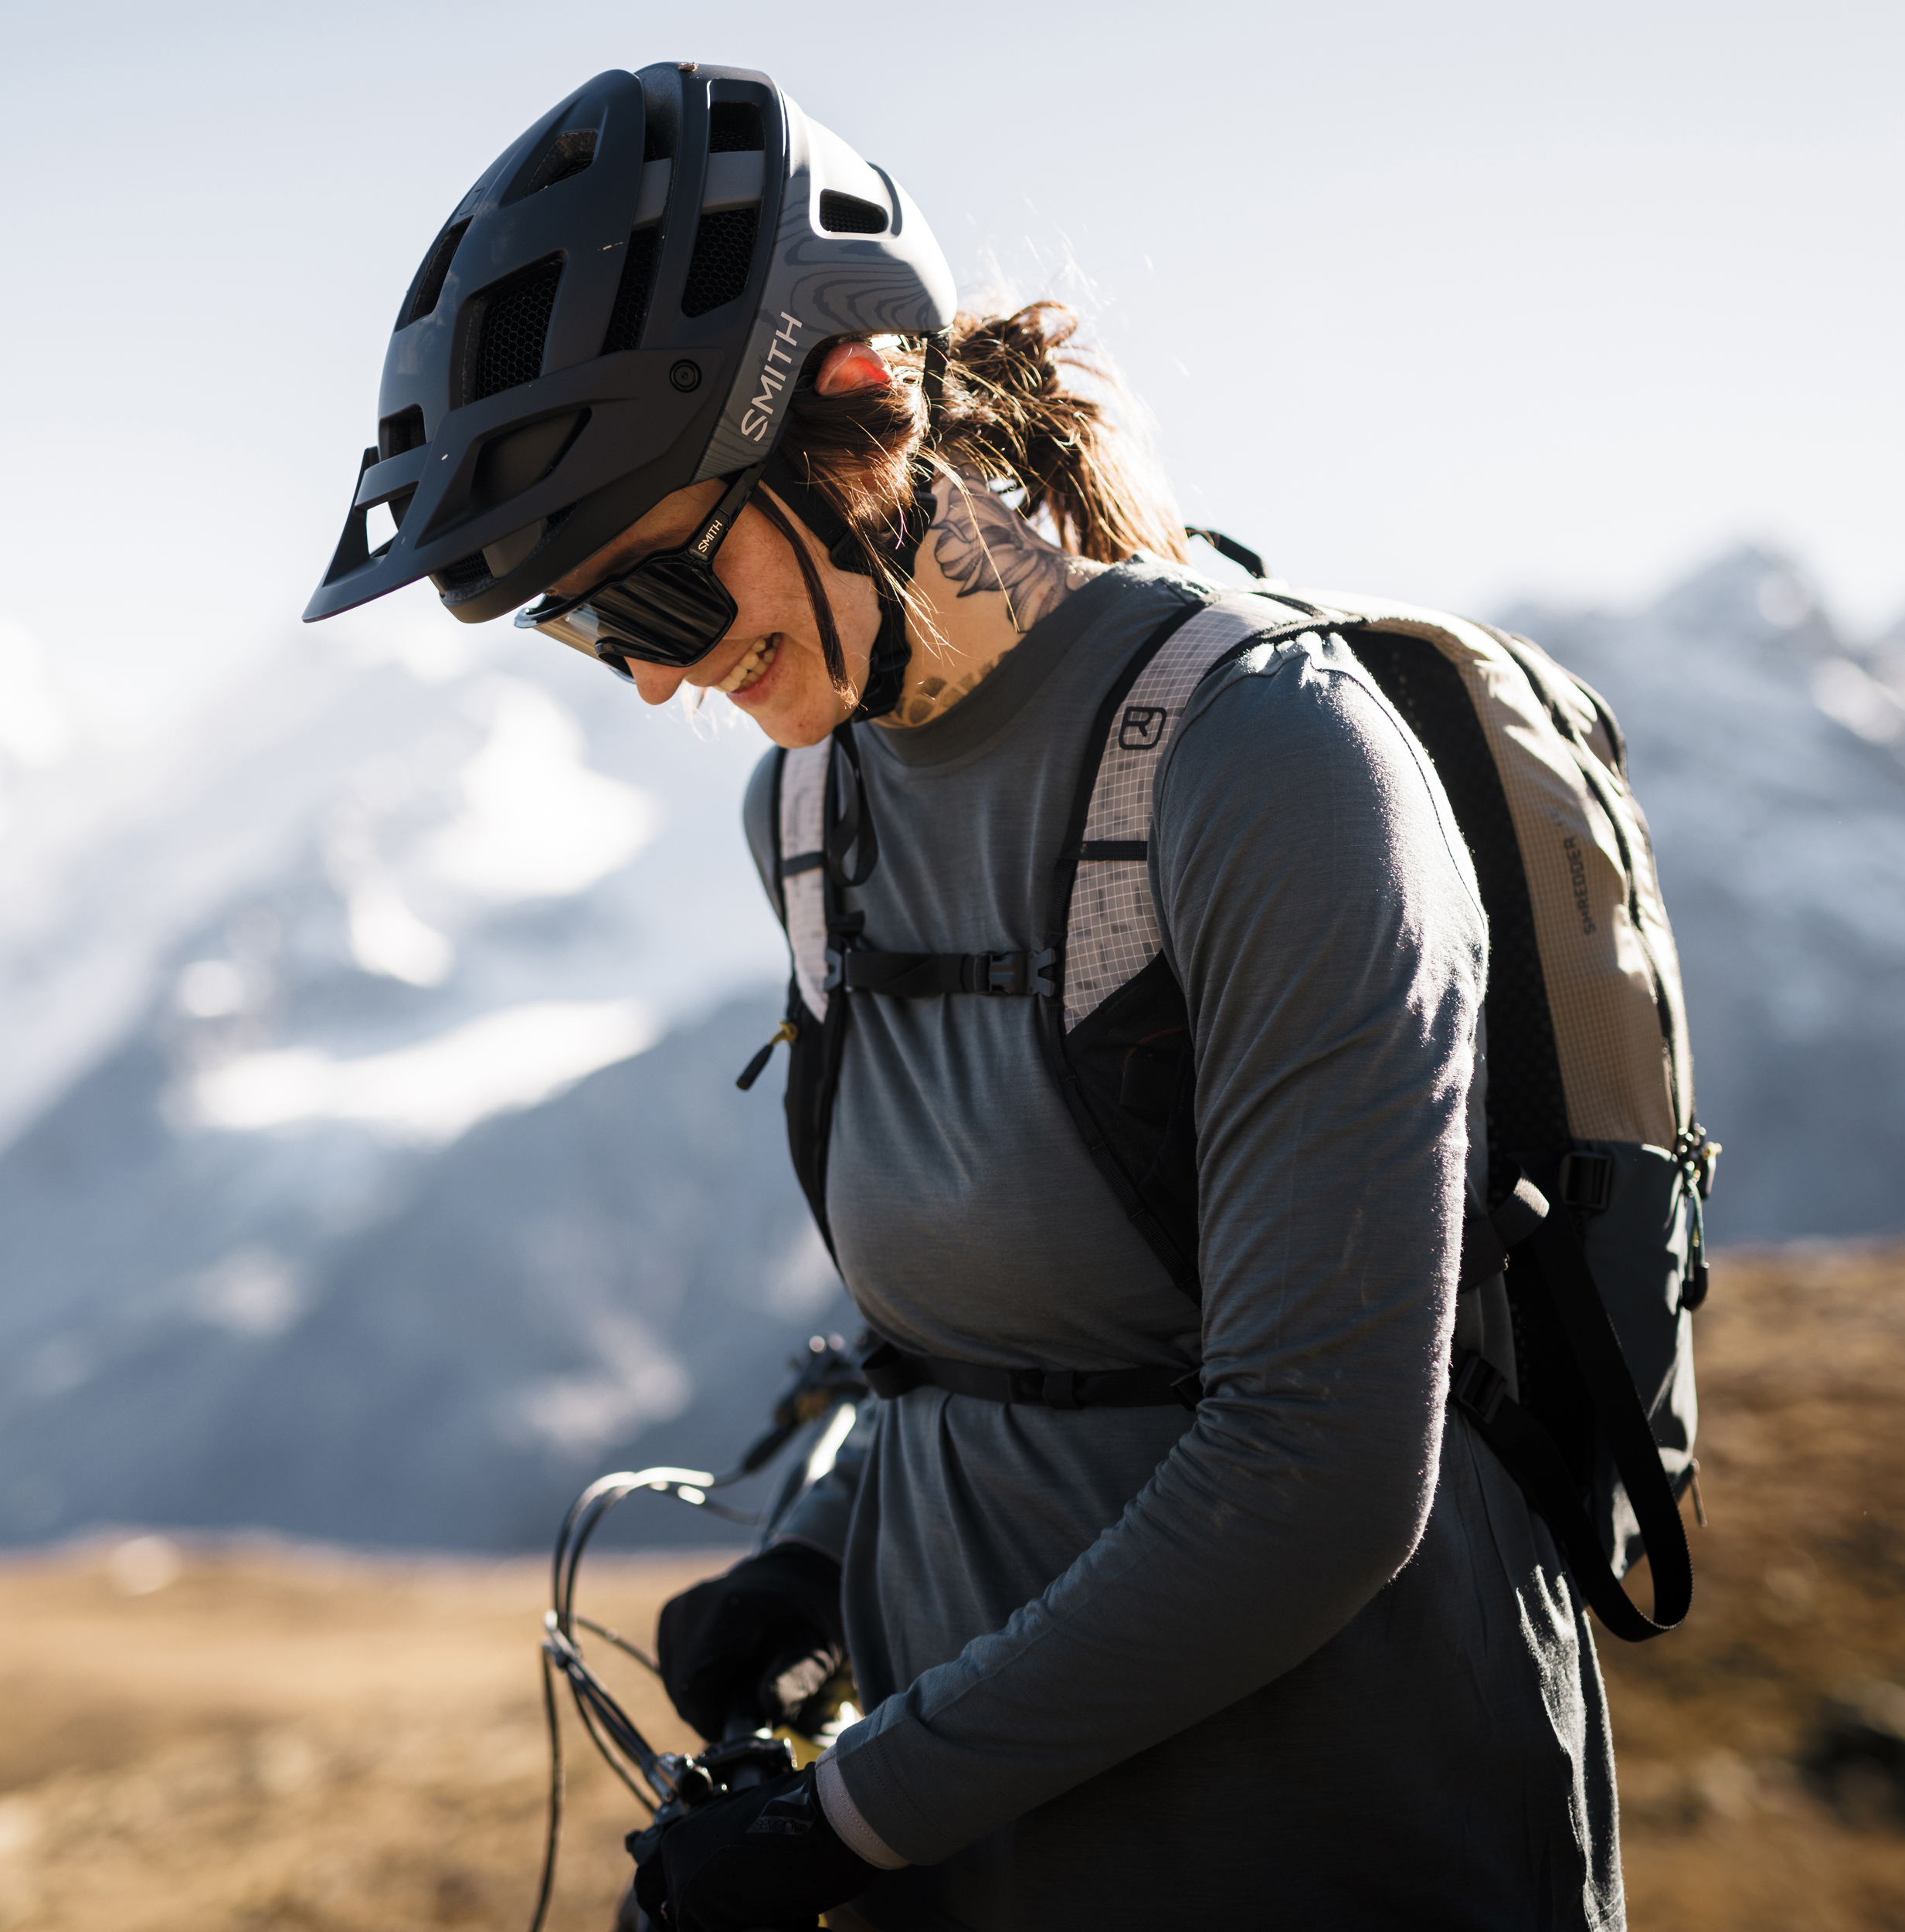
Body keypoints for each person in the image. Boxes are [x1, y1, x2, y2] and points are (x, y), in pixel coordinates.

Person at [311, 60, 1622, 1931]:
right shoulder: (814, 802)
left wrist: (840, 1822)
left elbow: (1322, 1468)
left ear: (860, 413)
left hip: (1344, 1836)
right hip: (990, 1851)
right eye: (592, 634)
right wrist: (829, 1555)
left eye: (660, 601)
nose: (658, 685)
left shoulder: (1264, 765)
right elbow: (993, 1336)